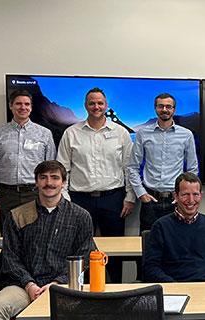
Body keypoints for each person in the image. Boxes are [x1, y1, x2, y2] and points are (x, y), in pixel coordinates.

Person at [0, 161, 93, 320]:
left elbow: (84, 258)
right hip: (24, 287)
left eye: (54, 178)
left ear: (63, 182)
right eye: (43, 178)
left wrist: (56, 284)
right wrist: (30, 285)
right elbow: (10, 258)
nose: (49, 183)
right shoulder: (17, 216)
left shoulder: (80, 217)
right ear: (36, 182)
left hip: (64, 287)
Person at [57, 87, 134, 283]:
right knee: (82, 249)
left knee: (116, 249)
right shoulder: (71, 133)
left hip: (113, 199)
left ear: (106, 106)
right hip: (79, 200)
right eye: (92, 103)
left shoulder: (121, 133)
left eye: (100, 103)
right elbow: (62, 170)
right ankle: (87, 293)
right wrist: (66, 201)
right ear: (85, 106)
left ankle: (116, 289)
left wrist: (129, 197)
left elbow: (129, 168)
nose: (96, 107)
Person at [143, 172, 205, 282]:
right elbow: (150, 267)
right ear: (175, 196)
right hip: (175, 289)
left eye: (195, 194)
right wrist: (173, 285)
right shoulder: (161, 227)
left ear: (201, 195)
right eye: (185, 194)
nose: (191, 200)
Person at [0, 90, 56, 233]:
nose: (23, 107)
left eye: (27, 104)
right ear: (11, 106)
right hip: (6, 195)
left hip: (35, 194)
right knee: (9, 239)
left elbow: (51, 168)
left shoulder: (44, 133)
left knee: (37, 237)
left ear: (31, 107)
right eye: (18, 104)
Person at [128, 92, 198, 234]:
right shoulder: (143, 134)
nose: (164, 110)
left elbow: (192, 169)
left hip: (176, 201)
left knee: (178, 243)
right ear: (155, 108)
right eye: (161, 106)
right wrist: (141, 194)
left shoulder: (186, 135)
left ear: (174, 109)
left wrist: (183, 195)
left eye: (168, 106)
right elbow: (132, 167)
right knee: (148, 245)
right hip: (150, 200)